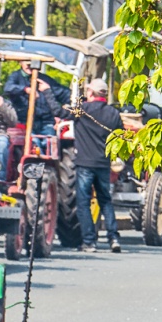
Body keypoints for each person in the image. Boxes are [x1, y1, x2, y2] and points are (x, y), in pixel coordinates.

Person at [69, 78, 124, 253]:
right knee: (106, 201)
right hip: (103, 163)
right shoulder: (113, 114)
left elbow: (57, 111)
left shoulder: (82, 110)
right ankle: (113, 238)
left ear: (91, 93)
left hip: (84, 162)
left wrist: (47, 91)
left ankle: (89, 242)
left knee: (84, 202)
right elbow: (120, 135)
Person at [4, 60, 71, 137]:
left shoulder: (45, 80)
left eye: (32, 63)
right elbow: (8, 88)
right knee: (32, 142)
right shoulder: (15, 77)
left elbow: (65, 95)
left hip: (46, 122)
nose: (29, 66)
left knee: (49, 142)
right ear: (20, 62)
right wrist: (26, 89)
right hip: (24, 122)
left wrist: (64, 112)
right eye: (27, 63)